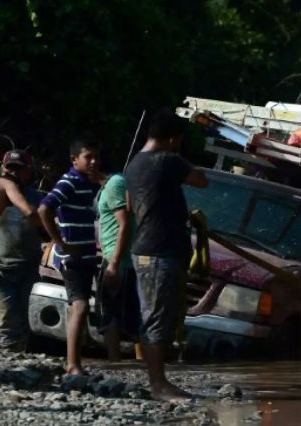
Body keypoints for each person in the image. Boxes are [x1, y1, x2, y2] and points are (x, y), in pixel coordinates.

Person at [125, 110, 208, 402]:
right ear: (174, 139)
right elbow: (201, 180)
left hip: (145, 249)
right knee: (158, 318)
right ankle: (159, 385)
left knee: (155, 315)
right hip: (160, 251)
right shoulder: (168, 160)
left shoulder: (134, 164)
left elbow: (130, 203)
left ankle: (158, 381)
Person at [38, 139, 102, 374]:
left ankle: (77, 361)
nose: (93, 161)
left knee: (81, 305)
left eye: (96, 157)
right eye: (88, 157)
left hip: (85, 256)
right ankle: (73, 364)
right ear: (74, 160)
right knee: (80, 305)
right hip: (72, 257)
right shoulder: (69, 182)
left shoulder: (86, 182)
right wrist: (60, 242)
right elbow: (44, 208)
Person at [0, 150, 42, 351]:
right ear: (3, 169)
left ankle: (18, 361)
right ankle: (10, 361)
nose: (15, 173)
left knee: (30, 322)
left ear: (28, 172)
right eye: (11, 168)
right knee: (7, 322)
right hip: (0, 268)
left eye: (20, 169)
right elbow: (29, 212)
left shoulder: (37, 197)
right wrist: (58, 234)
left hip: (29, 267)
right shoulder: (6, 186)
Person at [95, 171, 141, 361]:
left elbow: (124, 224)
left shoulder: (114, 184)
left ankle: (114, 362)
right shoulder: (112, 185)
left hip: (118, 259)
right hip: (122, 258)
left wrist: (113, 263)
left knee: (110, 313)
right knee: (132, 316)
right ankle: (143, 366)